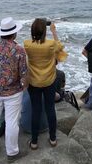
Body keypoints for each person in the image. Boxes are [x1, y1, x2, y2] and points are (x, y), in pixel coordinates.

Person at [0, 17, 27, 162]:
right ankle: (12, 153)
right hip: (13, 92)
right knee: (12, 122)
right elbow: (23, 74)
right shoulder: (19, 49)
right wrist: (23, 87)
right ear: (14, 34)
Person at [24, 19, 66, 149]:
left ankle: (34, 142)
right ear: (44, 31)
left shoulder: (27, 44)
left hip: (34, 82)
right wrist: (54, 31)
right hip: (49, 81)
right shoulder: (51, 44)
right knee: (50, 109)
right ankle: (53, 139)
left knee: (36, 110)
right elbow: (60, 47)